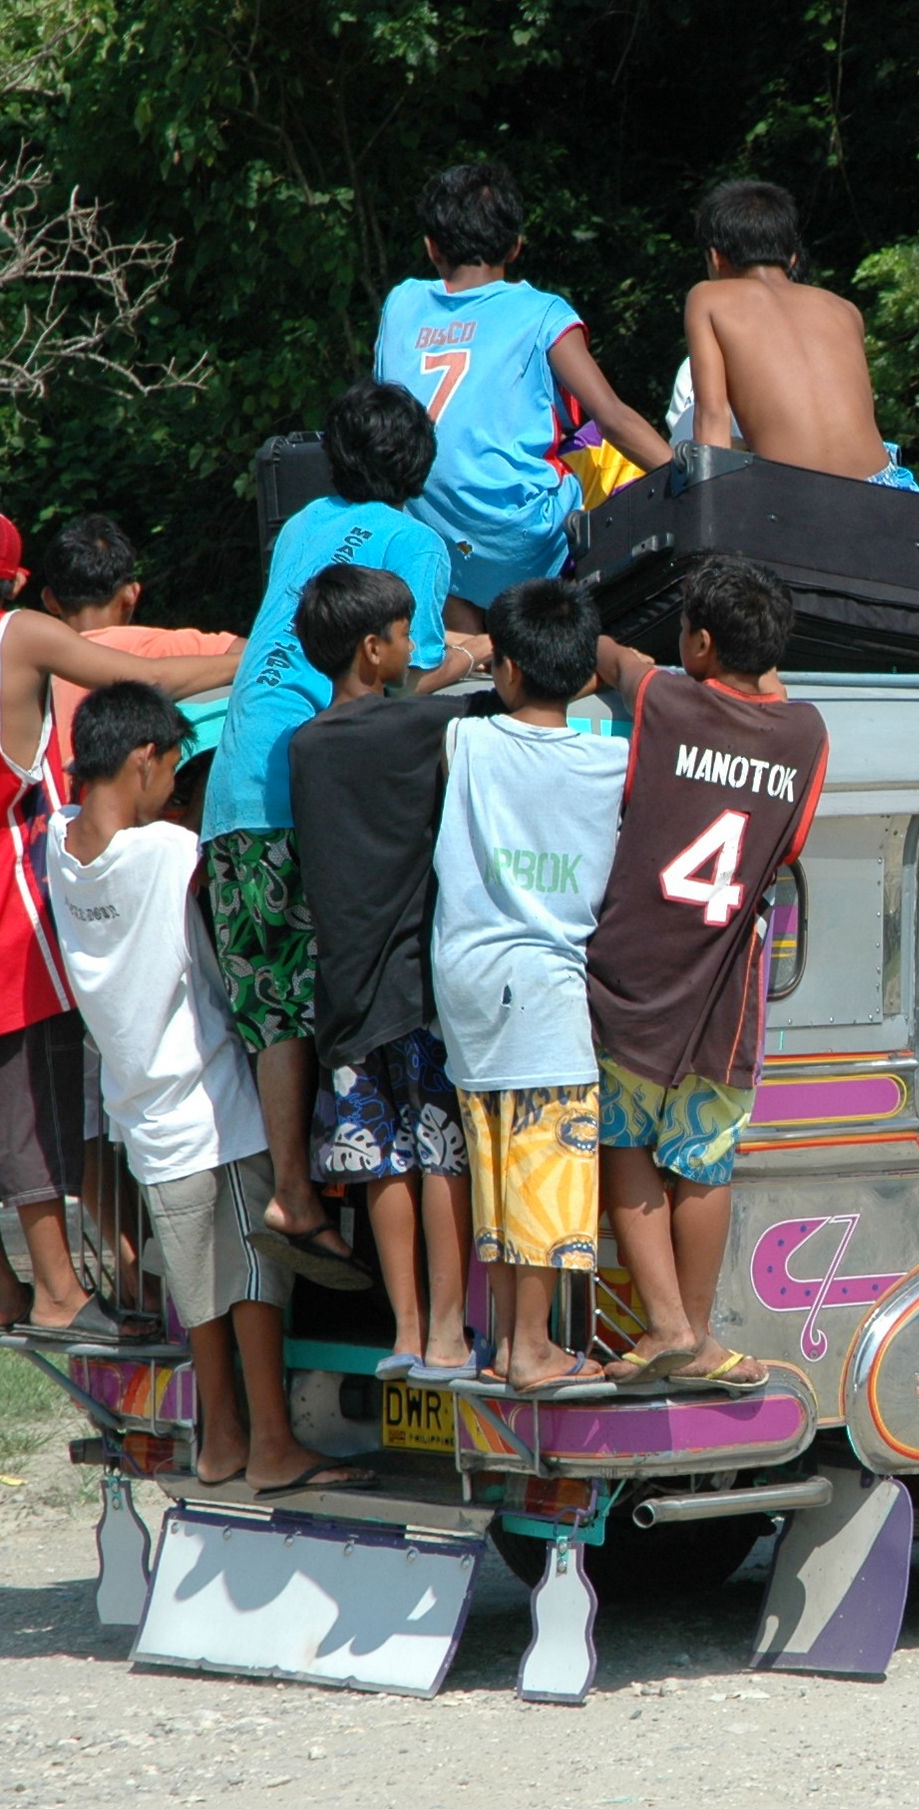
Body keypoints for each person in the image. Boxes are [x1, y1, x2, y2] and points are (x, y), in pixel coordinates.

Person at [0, 506, 241, 1340]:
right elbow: (127, 679)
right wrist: (239, 662)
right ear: (16, 584)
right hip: (8, 919)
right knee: (27, 1113)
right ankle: (62, 1291)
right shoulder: (15, 637)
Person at [50, 683, 372, 1494]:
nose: (176, 795)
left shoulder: (58, 848)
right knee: (257, 1276)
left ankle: (219, 1437)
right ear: (143, 761)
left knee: (200, 1292)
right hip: (214, 1103)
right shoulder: (165, 852)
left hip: (142, 1114)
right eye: (172, 775)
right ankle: (270, 1442)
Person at [205, 382, 472, 1291]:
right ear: (419, 465)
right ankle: (308, 1187)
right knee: (350, 992)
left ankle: (296, 1189)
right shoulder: (416, 544)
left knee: (276, 1000)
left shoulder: (300, 525)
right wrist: (469, 658)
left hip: (235, 787)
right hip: (306, 792)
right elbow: (402, 682)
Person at [587, 556, 829, 1391]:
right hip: (726, 989)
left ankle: (663, 1327)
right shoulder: (806, 734)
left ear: (696, 641)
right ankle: (700, 1330)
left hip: (634, 973)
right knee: (704, 1156)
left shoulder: (667, 698)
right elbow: (787, 845)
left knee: (623, 1140)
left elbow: (614, 659)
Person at [428, 578, 629, 1397]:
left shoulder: (465, 744)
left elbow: (413, 685)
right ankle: (535, 1346)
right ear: (584, 677)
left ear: (505, 670)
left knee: (500, 1173)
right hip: (543, 988)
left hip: (466, 983)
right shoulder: (609, 760)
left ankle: (514, 1339)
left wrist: (468, 654)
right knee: (547, 1174)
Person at [287, 565, 481, 1382]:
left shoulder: (302, 746)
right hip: (420, 988)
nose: (415, 647)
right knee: (441, 1155)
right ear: (374, 648)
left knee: (381, 1164)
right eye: (406, 636)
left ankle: (402, 1331)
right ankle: (447, 1332)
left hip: (346, 995)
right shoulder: (424, 728)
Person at [375, 161, 672, 625]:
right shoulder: (542, 313)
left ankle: (466, 627)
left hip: (434, 544)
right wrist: (697, 481)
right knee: (599, 445)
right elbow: (614, 418)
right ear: (515, 247)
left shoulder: (401, 304)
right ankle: (580, 604)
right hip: (524, 547)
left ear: (432, 248)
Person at [680, 180, 907, 485]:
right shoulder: (844, 309)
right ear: (792, 258)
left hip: (794, 494)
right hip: (886, 487)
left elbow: (713, 423)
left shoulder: (708, 299)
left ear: (716, 257)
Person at [33, 513, 242, 788]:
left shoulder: (29, 666)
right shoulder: (164, 646)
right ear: (132, 593)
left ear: (50, 599)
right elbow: (264, 653)